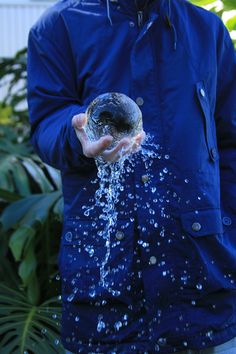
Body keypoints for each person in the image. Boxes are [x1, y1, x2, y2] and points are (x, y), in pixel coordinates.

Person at [27, 0, 236, 353]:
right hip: (106, 282)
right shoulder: (60, 26)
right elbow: (46, 122)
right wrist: (73, 132)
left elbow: (229, 142)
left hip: (202, 284)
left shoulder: (207, 30)